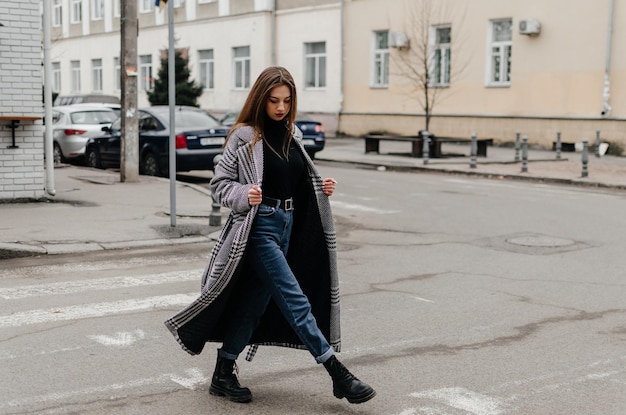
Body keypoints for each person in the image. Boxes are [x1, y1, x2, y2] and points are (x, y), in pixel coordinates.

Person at [164, 66, 376, 405]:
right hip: (259, 227)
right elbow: (219, 185)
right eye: (274, 100)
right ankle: (337, 373)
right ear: (261, 99)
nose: (280, 107)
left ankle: (223, 371)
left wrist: (321, 188)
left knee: (254, 305)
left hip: (288, 225)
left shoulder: (293, 135)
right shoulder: (244, 137)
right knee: (296, 301)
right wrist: (243, 194)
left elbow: (296, 183)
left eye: (286, 101)